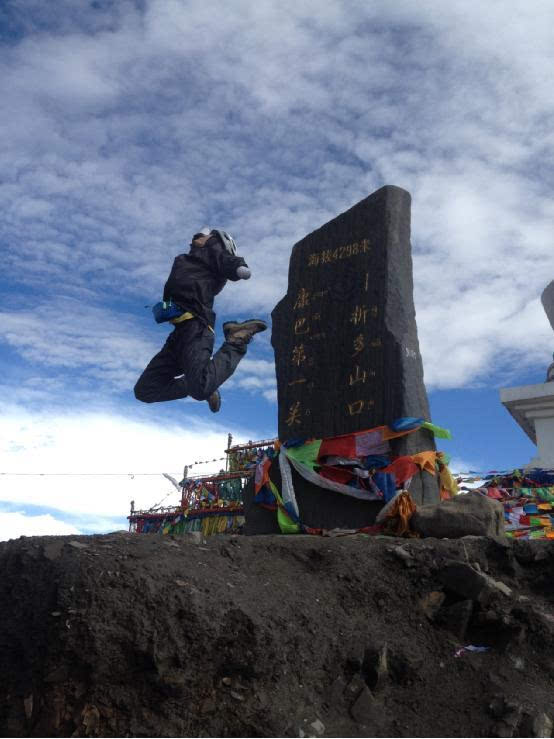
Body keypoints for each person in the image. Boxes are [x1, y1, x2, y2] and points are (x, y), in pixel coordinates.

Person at [134, 227, 267, 412]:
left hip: (197, 328)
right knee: (145, 390)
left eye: (204, 235)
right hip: (178, 335)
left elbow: (226, 260)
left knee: (201, 388)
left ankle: (237, 339)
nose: (197, 236)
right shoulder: (185, 259)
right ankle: (201, 383)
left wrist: (238, 267)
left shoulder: (213, 254)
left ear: (216, 240)